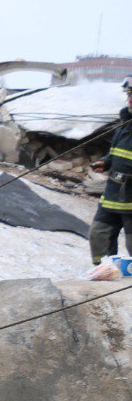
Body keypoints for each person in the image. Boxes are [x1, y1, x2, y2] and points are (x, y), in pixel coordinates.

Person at [89, 76, 132, 263]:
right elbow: (115, 151)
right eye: (129, 95)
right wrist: (105, 162)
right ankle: (105, 275)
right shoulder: (125, 124)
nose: (130, 99)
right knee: (98, 234)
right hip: (113, 193)